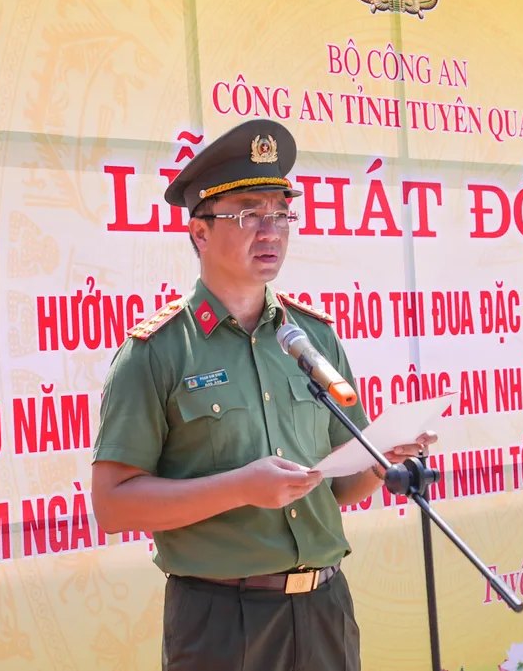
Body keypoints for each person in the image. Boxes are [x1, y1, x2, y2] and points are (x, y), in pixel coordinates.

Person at [90, 118, 437, 671]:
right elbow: (112, 505)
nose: (271, 230)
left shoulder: (311, 337)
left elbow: (336, 489)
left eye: (281, 213)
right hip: (222, 621)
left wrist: (381, 460)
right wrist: (241, 488)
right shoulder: (156, 353)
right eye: (248, 214)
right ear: (199, 232)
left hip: (325, 609)